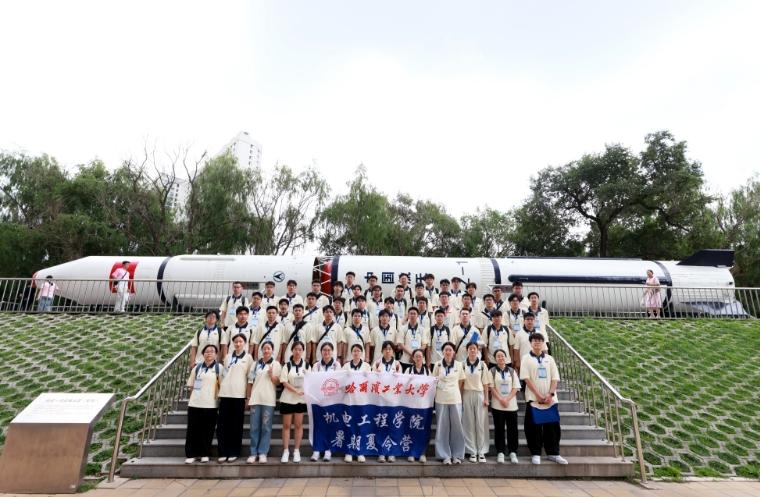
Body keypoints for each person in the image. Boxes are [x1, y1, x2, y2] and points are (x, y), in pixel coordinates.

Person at [520, 333, 567, 465]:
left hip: (550, 400)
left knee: (552, 427)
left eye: (540, 340)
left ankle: (554, 453)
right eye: (534, 340)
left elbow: (555, 378)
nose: (537, 342)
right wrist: (538, 395)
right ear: (530, 343)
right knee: (533, 427)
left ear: (543, 343)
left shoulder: (549, 359)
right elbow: (526, 379)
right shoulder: (526, 359)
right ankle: (535, 453)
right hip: (534, 399)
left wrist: (550, 394)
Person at [217, 333, 253, 463]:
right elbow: (223, 375)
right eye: (236, 342)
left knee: (236, 425)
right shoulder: (227, 357)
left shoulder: (248, 358)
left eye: (240, 341)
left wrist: (248, 397)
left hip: (239, 396)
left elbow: (250, 379)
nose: (238, 344)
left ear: (245, 343)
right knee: (222, 425)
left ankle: (233, 451)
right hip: (225, 394)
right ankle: (223, 451)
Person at [184, 344, 220, 464]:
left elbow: (222, 385)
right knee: (193, 430)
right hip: (195, 404)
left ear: (216, 354)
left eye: (212, 351)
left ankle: (205, 453)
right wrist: (191, 400)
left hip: (211, 404)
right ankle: (191, 454)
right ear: (203, 354)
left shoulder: (219, 368)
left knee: (208, 430)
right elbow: (191, 386)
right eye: (207, 351)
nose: (209, 353)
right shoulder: (197, 368)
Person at [246, 341, 281, 464]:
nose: (266, 351)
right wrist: (248, 397)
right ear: (261, 350)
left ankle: (262, 452)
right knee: (254, 427)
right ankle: (253, 453)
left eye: (269, 348)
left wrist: (272, 375)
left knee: (266, 427)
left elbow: (278, 382)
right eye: (264, 348)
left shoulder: (276, 364)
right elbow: (250, 382)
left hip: (268, 400)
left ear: (272, 350)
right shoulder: (255, 364)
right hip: (255, 399)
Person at [431, 342, 466, 465]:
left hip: (455, 399)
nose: (448, 352)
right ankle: (444, 455)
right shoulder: (437, 364)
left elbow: (461, 381)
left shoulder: (459, 365)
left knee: (457, 427)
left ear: (454, 352)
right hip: (441, 399)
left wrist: (455, 391)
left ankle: (457, 455)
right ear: (443, 352)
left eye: (450, 350)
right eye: (446, 350)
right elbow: (433, 380)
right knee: (442, 427)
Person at [279, 341, 309, 463]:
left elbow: (310, 380)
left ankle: (296, 451)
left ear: (303, 351)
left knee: (298, 425)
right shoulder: (287, 365)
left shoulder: (307, 365)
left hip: (300, 400)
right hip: (287, 399)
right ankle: (286, 451)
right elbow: (283, 381)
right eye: (296, 349)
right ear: (292, 350)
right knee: (286, 426)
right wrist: (295, 390)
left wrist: (303, 390)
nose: (297, 351)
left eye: (300, 349)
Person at [462, 342, 491, 463]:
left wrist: (486, 398)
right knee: (468, 423)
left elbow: (486, 383)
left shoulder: (482, 365)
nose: (472, 350)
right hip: (467, 394)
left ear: (477, 350)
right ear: (467, 350)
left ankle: (481, 451)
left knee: (480, 423)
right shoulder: (462, 364)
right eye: (470, 348)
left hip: (479, 394)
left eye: (474, 348)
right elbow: (461, 383)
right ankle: (472, 451)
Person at [490, 349, 520, 464]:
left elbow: (516, 387)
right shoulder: (492, 371)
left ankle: (513, 452)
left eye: (502, 356)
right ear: (495, 359)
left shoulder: (512, 371)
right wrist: (501, 399)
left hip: (511, 405)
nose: (500, 358)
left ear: (506, 358)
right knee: (499, 429)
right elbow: (492, 387)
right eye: (498, 356)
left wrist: (507, 399)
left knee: (513, 429)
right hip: (497, 405)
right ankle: (500, 452)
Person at [311, 342, 340, 462]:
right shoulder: (316, 365)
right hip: (319, 400)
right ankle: (317, 450)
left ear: (332, 352)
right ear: (321, 352)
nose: (326, 352)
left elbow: (339, 380)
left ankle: (328, 450)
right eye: (324, 350)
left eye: (329, 350)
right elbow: (313, 381)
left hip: (332, 400)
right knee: (318, 425)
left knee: (330, 425)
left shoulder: (337, 365)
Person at [342, 343, 370, 464]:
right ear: (351, 353)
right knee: (349, 426)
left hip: (362, 401)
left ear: (361, 353)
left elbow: (371, 382)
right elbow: (341, 382)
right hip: (348, 401)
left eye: (358, 351)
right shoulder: (346, 366)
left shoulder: (367, 366)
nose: (356, 353)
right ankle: (349, 451)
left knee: (360, 427)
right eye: (354, 351)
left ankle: (360, 451)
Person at [406, 348, 429, 463]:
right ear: (413, 358)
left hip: (424, 405)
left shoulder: (428, 371)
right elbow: (403, 385)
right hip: (411, 404)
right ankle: (411, 452)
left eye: (420, 356)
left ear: (423, 358)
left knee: (422, 429)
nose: (418, 358)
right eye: (416, 356)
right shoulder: (408, 370)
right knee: (411, 428)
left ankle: (422, 453)